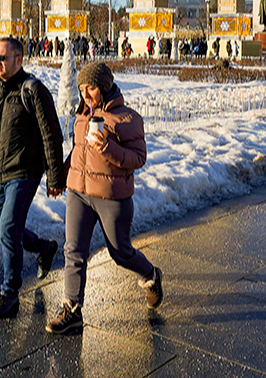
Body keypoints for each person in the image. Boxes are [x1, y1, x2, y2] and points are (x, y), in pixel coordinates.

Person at [46, 62, 162, 335]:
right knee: (73, 251)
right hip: (79, 193)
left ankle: (151, 275)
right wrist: (62, 178)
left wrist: (108, 148)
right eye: (82, 89)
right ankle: (72, 309)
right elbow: (77, 151)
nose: (86, 94)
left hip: (112, 197)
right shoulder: (82, 115)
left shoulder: (127, 119)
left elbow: (138, 158)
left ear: (105, 87)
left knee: (120, 253)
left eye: (92, 88)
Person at [0, 36, 66, 319]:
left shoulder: (34, 90)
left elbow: (51, 133)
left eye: (2, 58)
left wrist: (55, 177)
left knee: (8, 227)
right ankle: (44, 248)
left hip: (24, 172)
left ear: (19, 59)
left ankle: (9, 293)